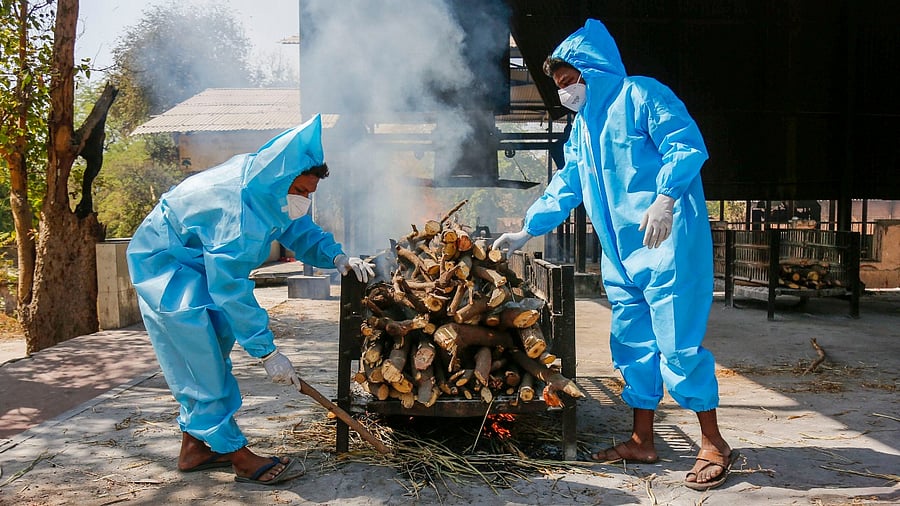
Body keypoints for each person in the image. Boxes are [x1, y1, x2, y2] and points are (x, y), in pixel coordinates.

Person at [493, 19, 736, 491]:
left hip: (666, 244)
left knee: (678, 348)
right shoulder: (583, 128)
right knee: (632, 348)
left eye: (568, 81)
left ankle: (713, 443)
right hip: (621, 256)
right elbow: (568, 184)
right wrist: (526, 229)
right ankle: (642, 440)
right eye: (559, 85)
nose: (564, 91)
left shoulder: (641, 95)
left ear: (592, 70)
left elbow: (684, 145)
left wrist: (665, 197)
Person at [126, 115, 373, 485]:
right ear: (284, 182)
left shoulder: (268, 189)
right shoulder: (238, 213)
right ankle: (238, 455)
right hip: (166, 263)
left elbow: (298, 228)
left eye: (310, 194)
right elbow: (231, 290)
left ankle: (193, 450)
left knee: (214, 345)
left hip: (196, 261)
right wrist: (268, 353)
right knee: (200, 356)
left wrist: (337, 257)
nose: (305, 200)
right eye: (303, 192)